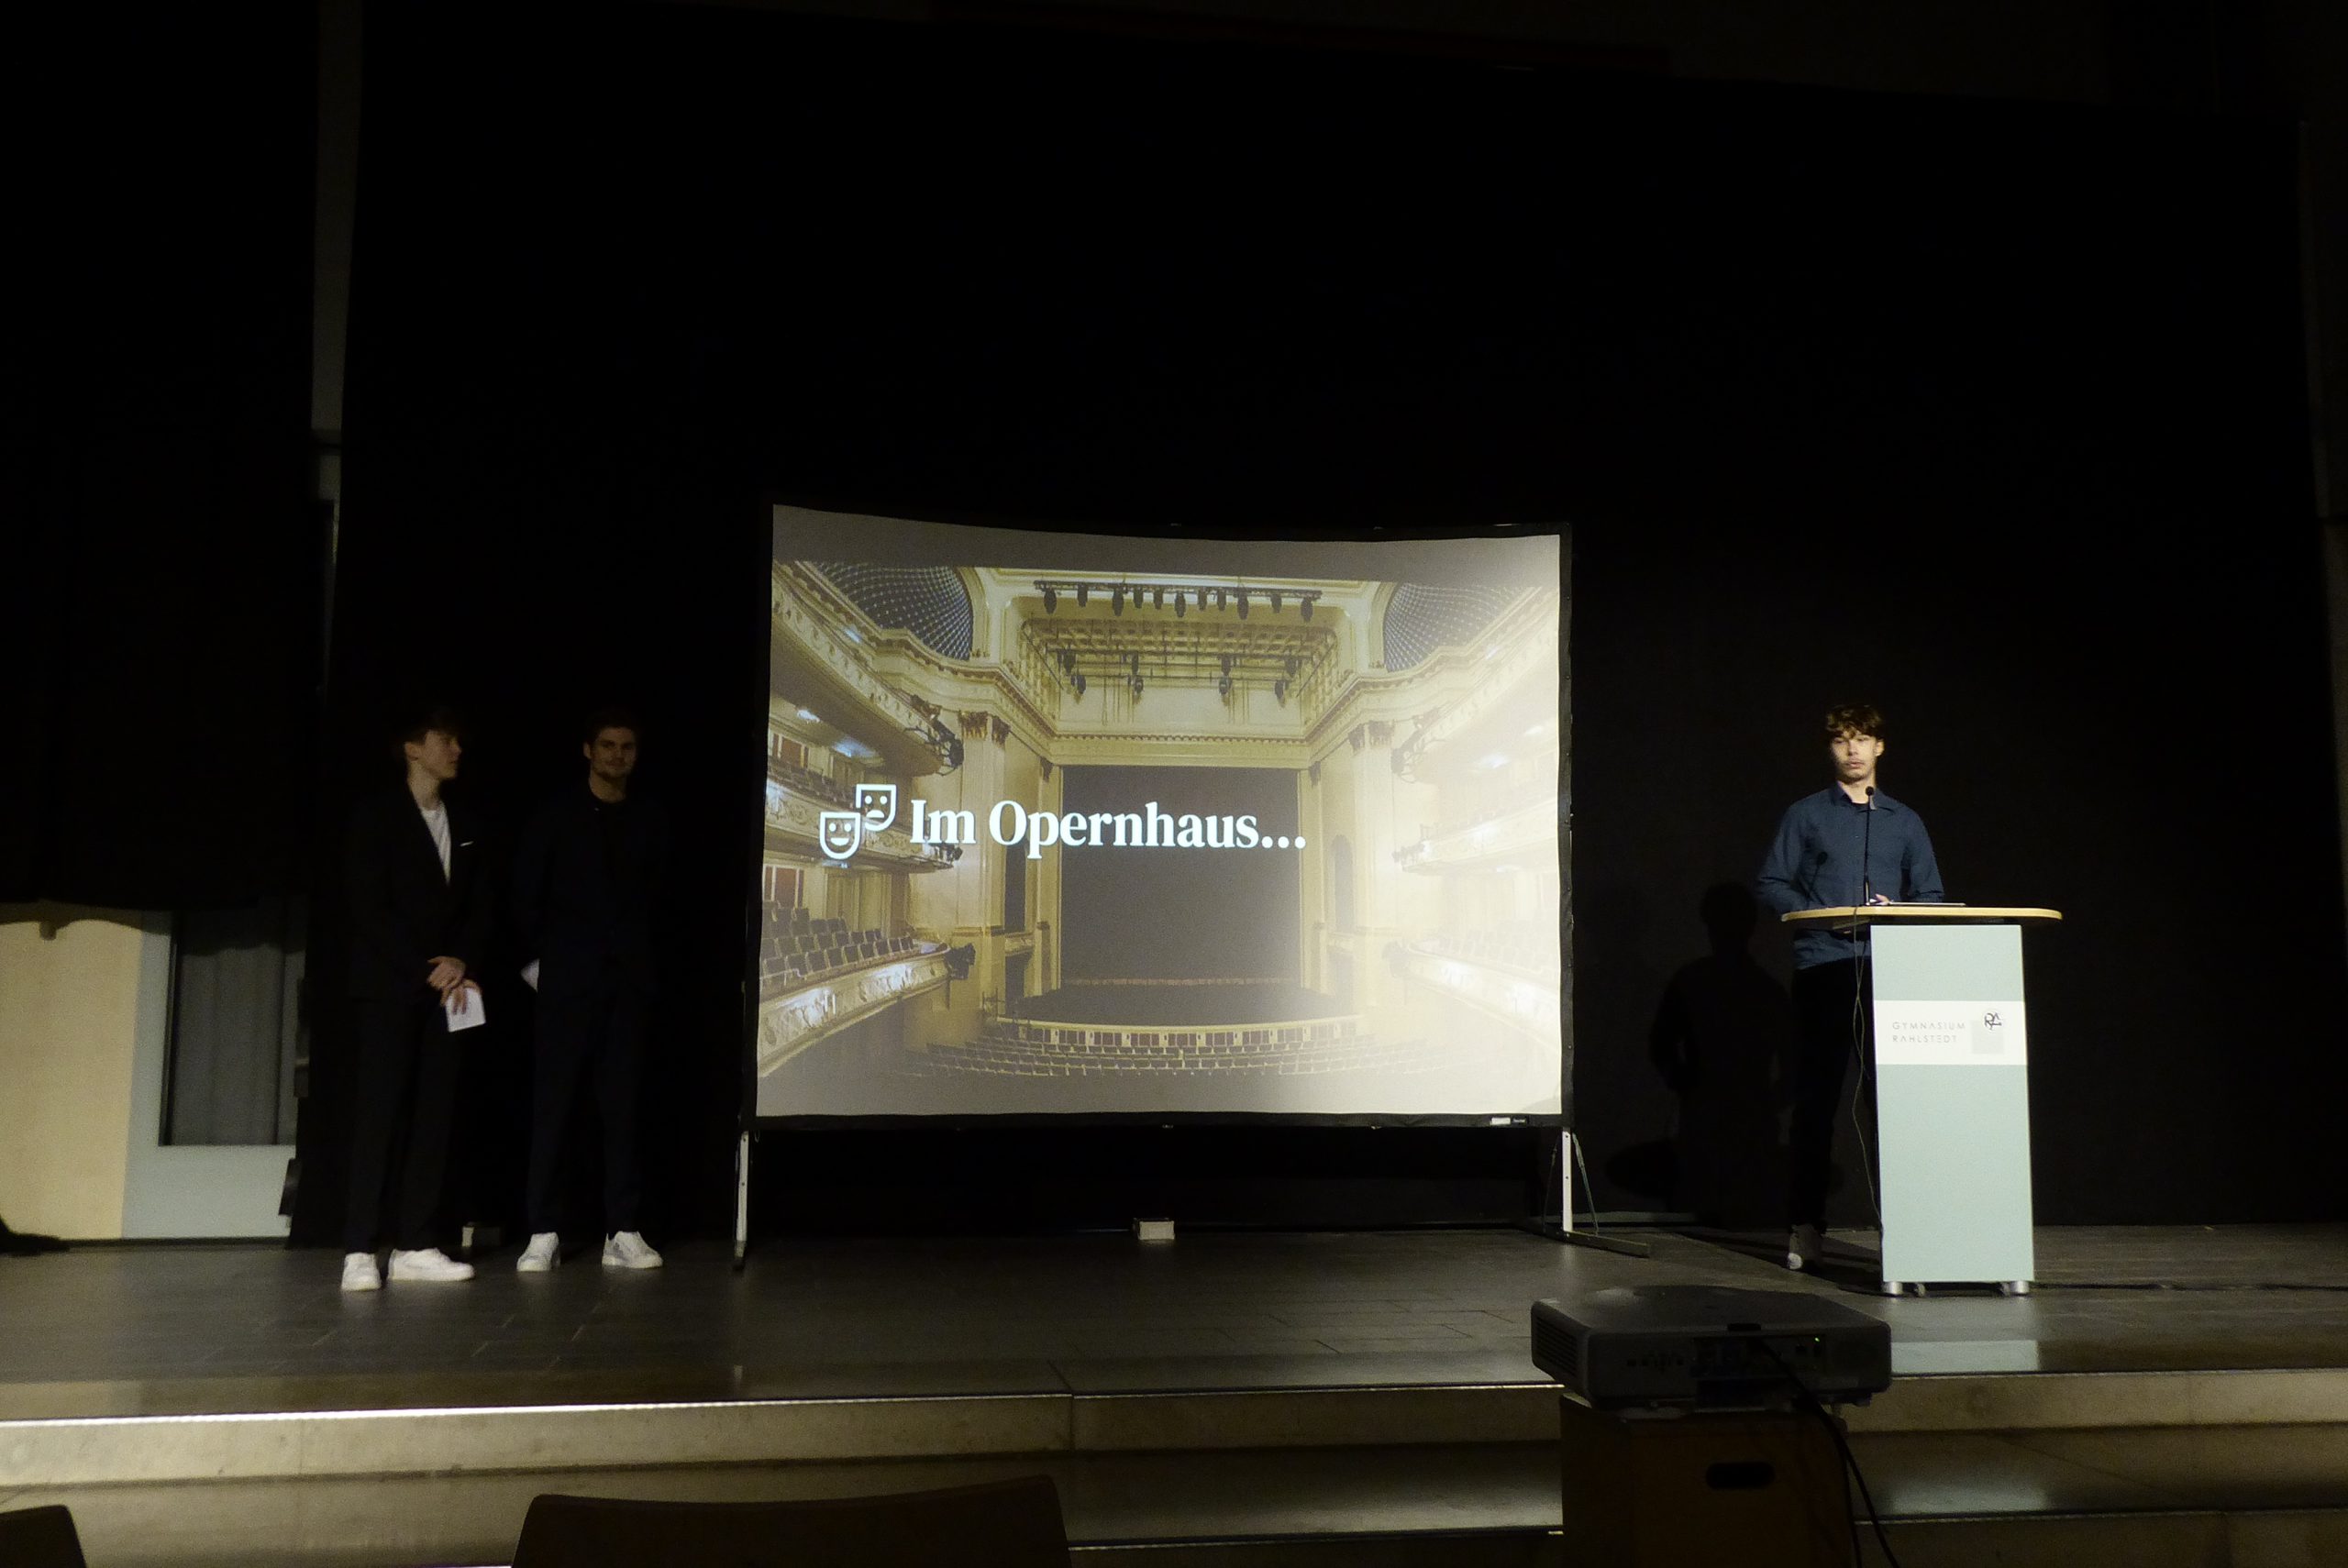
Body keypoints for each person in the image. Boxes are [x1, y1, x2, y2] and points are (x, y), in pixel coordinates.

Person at [1755, 703, 1943, 1274]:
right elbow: (1772, 881)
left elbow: (1931, 896)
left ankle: (1903, 1233)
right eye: (1841, 741)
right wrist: (1818, 912)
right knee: (1816, 1105)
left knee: (1894, 1106)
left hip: (1888, 972)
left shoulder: (1904, 821)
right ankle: (1806, 1225)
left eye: (1862, 740)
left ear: (1880, 746)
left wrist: (1897, 910)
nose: (1852, 750)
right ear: (1830, 749)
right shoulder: (1807, 814)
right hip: (1824, 968)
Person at [510, 707, 670, 1272]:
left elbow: (662, 903)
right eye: (608, 745)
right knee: (554, 1108)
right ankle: (543, 1230)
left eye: (627, 747)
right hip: (566, 986)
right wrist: (537, 968)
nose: (617, 756)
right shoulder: (555, 817)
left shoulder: (650, 819)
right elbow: (525, 894)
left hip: (627, 988)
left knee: (624, 1110)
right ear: (588, 750)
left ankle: (622, 1229)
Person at [341, 705, 490, 1291]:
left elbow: (480, 904)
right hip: (389, 990)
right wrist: (423, 968)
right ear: (412, 747)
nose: (455, 750)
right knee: (379, 1116)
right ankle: (359, 1248)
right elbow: (369, 907)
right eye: (444, 740)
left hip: (448, 993)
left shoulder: (466, 819)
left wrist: (460, 962)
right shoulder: (376, 817)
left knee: (435, 1117)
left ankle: (416, 1243)